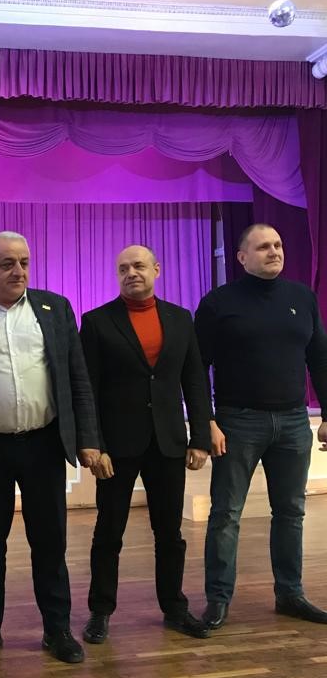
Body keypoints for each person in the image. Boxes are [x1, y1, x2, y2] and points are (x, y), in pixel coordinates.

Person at [0, 231, 100, 666]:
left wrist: (88, 438)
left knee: (50, 542)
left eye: (24, 262)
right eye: (7, 263)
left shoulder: (55, 308)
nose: (19, 271)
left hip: (44, 444)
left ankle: (57, 629)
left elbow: (78, 379)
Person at [196, 223, 327, 630]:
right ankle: (218, 599)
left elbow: (320, 358)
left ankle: (290, 593)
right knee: (226, 514)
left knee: (290, 511)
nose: (274, 251)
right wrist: (206, 422)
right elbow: (195, 367)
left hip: (293, 421)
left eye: (278, 244)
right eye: (264, 246)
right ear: (241, 257)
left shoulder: (302, 298)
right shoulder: (218, 303)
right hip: (238, 421)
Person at [79, 245, 211, 644]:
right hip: (116, 447)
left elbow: (194, 381)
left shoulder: (180, 318)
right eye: (123, 268)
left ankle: (174, 607)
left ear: (156, 269)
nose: (131, 273)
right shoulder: (97, 322)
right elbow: (88, 389)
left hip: (168, 442)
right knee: (109, 532)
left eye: (138, 266)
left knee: (169, 533)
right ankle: (100, 611)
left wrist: (200, 437)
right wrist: (95, 445)